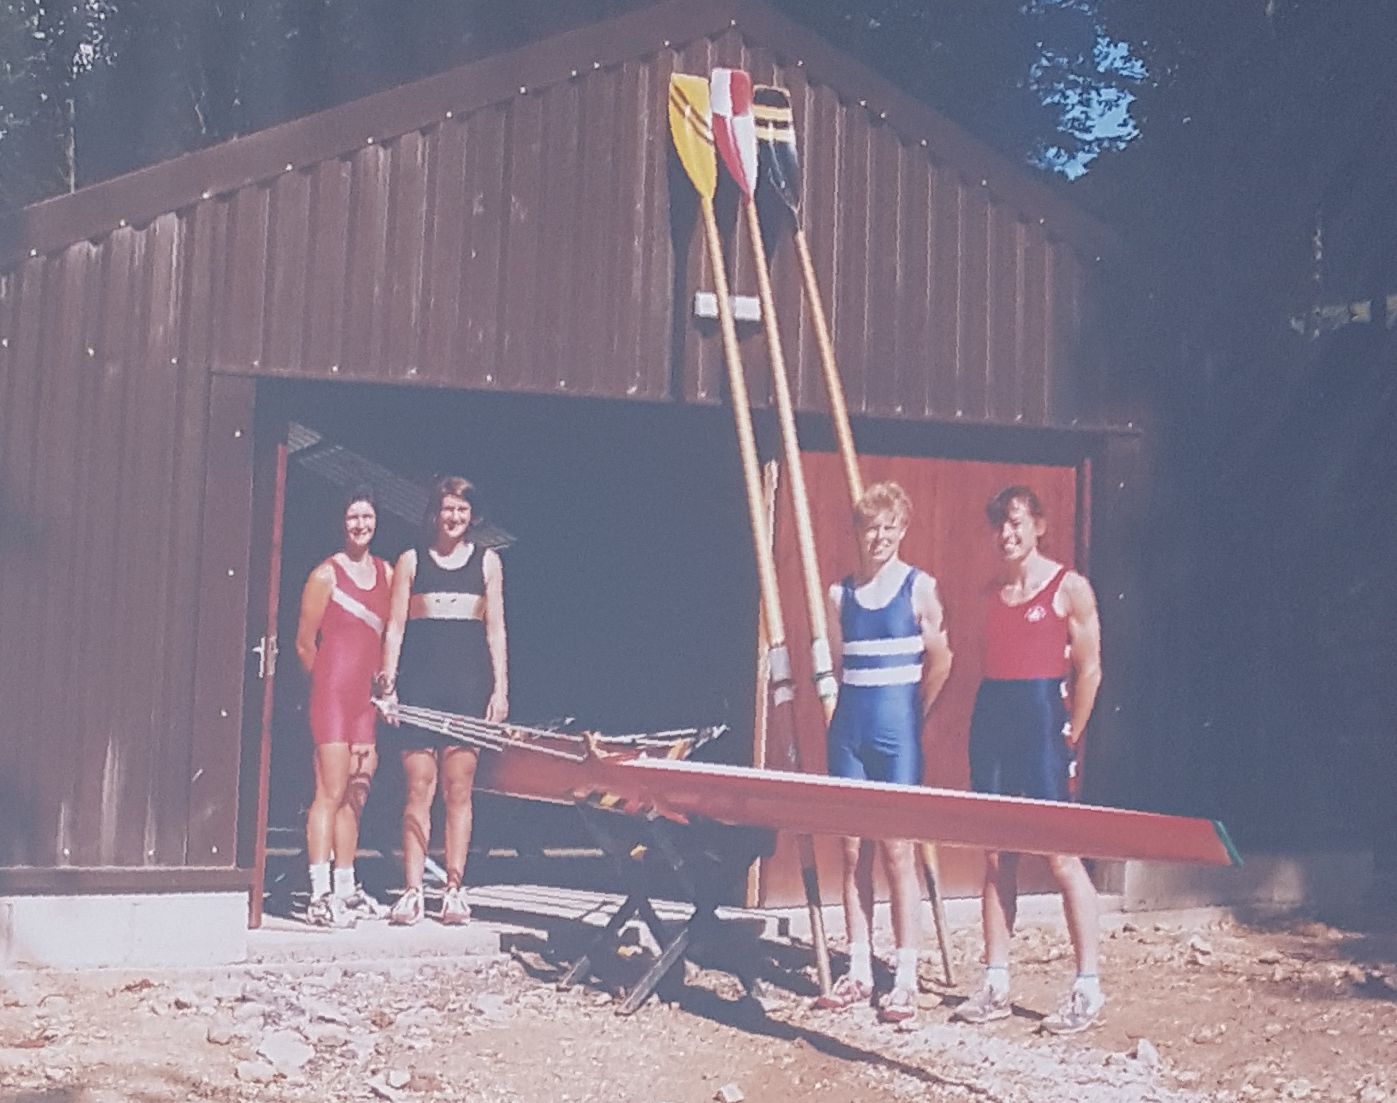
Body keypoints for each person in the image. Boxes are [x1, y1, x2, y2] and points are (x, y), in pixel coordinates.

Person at [951, 485, 1104, 1035]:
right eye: (999, 525)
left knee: (1060, 855)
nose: (1007, 534)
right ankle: (995, 984)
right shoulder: (990, 592)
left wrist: (1071, 733)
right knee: (997, 856)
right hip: (994, 721)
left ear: (1038, 525)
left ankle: (1088, 988)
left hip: (1042, 726)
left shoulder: (1069, 588)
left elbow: (1090, 670)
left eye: (1016, 522)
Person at [817, 481, 954, 1023]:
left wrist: (915, 712)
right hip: (849, 732)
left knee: (899, 851)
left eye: (889, 527)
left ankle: (905, 977)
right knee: (853, 852)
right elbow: (835, 663)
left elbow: (942, 661)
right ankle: (858, 968)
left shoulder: (920, 588)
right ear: (858, 532)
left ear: (903, 530)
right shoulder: (840, 595)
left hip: (898, 734)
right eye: (870, 527)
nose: (879, 537)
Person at [378, 476, 508, 926]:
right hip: (419, 689)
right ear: (435, 512)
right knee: (419, 787)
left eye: (462, 510)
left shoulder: (488, 562)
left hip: (468, 690)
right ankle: (412, 890)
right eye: (448, 508)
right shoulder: (411, 561)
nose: (454, 517)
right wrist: (388, 684)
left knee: (459, 789)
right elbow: (395, 627)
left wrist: (500, 689)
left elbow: (496, 629)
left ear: (473, 516)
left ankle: (454, 889)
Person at [294, 486, 393, 928]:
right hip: (332, 697)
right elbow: (304, 644)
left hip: (365, 702)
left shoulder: (388, 573)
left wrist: (382, 688)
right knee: (329, 792)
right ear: (342, 522)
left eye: (367, 517)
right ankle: (319, 895)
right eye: (353, 517)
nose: (360, 525)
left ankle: (346, 887)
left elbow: (390, 636)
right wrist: (327, 689)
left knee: (356, 794)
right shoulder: (325, 575)